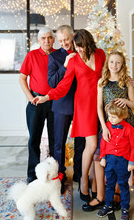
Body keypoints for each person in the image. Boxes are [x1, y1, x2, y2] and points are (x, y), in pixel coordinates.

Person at [32, 29, 106, 203]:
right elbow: (63, 86)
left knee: (98, 148)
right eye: (77, 47)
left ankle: (95, 186)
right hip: (84, 106)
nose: (78, 50)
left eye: (81, 46)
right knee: (92, 144)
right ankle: (83, 183)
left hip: (101, 105)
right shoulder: (73, 61)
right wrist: (46, 97)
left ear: (88, 42)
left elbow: (107, 74)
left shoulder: (101, 54)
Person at [91, 50, 134, 211]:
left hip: (126, 126)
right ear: (107, 64)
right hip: (108, 126)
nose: (115, 65)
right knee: (103, 157)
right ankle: (104, 196)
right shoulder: (102, 82)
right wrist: (104, 126)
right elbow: (98, 107)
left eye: (118, 62)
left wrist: (126, 100)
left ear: (122, 64)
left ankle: (119, 194)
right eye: (112, 62)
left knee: (122, 158)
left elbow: (133, 105)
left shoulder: (126, 82)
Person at [48, 25, 85, 192]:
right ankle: (59, 177)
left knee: (81, 143)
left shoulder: (82, 52)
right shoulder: (54, 56)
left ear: (73, 37)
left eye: (67, 40)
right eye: (61, 41)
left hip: (82, 105)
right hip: (61, 105)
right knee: (59, 143)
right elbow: (52, 82)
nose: (64, 43)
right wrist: (64, 65)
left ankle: (79, 175)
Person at [19, 26, 55, 183]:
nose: (46, 41)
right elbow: (22, 78)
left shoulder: (59, 55)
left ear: (53, 40)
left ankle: (55, 174)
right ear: (39, 40)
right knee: (34, 138)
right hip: (35, 102)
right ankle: (32, 175)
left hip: (55, 102)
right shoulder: (31, 55)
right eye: (43, 38)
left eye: (49, 38)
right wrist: (29, 97)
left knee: (56, 140)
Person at [97, 101, 134, 220]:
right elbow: (103, 143)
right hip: (109, 161)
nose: (110, 119)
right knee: (109, 185)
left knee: (123, 185)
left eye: (113, 117)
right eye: (109, 116)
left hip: (123, 162)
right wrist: (103, 157)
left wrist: (131, 162)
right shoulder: (107, 126)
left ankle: (125, 208)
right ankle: (108, 205)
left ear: (122, 115)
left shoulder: (129, 129)